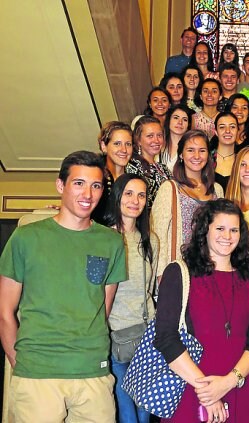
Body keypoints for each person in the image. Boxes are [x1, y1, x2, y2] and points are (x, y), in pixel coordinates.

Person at [0, 151, 127, 422]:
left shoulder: (112, 242)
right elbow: (4, 312)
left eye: (96, 185)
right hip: (38, 373)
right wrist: (20, 362)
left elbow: (101, 310)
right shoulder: (26, 237)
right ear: (61, 186)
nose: (88, 194)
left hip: (93, 372)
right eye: (78, 183)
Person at [154, 198, 249, 423]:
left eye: (234, 230)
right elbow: (166, 339)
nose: (226, 236)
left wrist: (228, 382)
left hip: (241, 389)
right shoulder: (179, 274)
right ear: (204, 230)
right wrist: (208, 393)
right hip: (191, 390)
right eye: (219, 228)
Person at [104, 173, 159, 423]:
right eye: (128, 193)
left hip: (146, 338)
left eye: (141, 195)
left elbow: (150, 289)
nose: (135, 200)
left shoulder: (151, 241)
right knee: (127, 416)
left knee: (144, 416)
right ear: (117, 197)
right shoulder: (102, 237)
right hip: (114, 336)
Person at [152, 130, 224, 278]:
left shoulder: (217, 189)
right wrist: (161, 275)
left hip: (213, 269)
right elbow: (158, 235)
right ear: (181, 155)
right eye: (190, 150)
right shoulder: (169, 188)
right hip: (180, 272)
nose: (197, 156)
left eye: (202, 150)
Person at [93, 121, 134, 223]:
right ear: (103, 146)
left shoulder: (134, 179)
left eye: (128, 144)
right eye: (117, 144)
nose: (124, 150)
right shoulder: (95, 178)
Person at [126, 116, 172, 208]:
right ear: (138, 140)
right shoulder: (133, 167)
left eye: (159, 135)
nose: (156, 140)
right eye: (150, 136)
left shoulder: (163, 168)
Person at [211, 112, 239, 192]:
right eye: (222, 127)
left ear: (237, 130)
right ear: (215, 131)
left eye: (232, 127)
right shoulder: (206, 159)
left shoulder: (243, 160)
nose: (227, 131)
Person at [160, 105, 192, 172]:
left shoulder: (191, 148)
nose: (180, 122)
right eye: (176, 118)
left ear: (188, 125)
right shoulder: (158, 144)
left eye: (185, 120)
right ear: (169, 120)